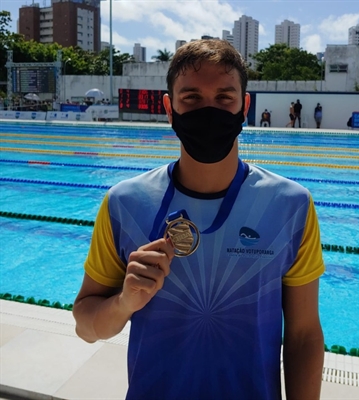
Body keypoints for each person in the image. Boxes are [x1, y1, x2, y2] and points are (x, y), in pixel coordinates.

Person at [73, 39, 325, 400]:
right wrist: (124, 302)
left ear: (245, 107)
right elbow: (85, 325)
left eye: (224, 98)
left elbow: (303, 335)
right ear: (169, 109)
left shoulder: (291, 206)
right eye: (191, 98)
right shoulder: (124, 203)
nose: (210, 111)